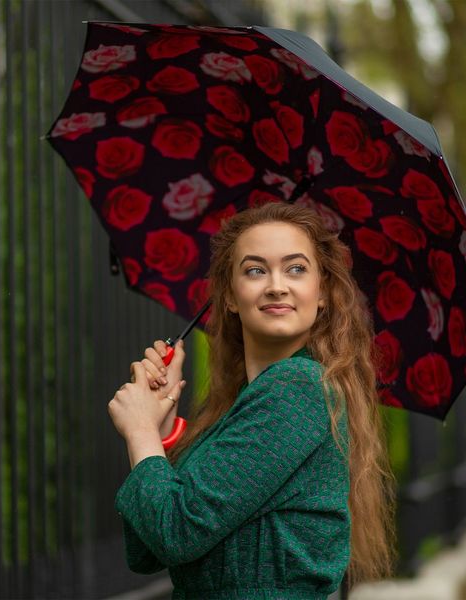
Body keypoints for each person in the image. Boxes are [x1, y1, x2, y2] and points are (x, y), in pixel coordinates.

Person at [108, 201, 397, 599]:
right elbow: (147, 550)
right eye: (255, 270)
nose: (277, 285)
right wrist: (160, 429)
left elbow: (176, 533)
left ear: (323, 292)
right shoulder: (249, 403)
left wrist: (139, 430)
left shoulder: (297, 389)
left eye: (296, 268)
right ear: (229, 296)